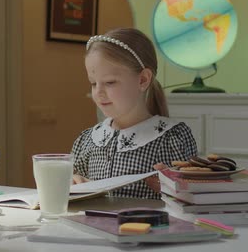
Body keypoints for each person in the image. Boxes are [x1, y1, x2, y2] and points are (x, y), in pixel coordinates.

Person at [71, 28, 197, 199]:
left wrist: (171, 190)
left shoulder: (172, 139)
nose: (98, 92)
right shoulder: (87, 141)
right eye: (93, 83)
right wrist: (73, 183)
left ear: (143, 80)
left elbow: (193, 199)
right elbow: (72, 192)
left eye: (109, 82)